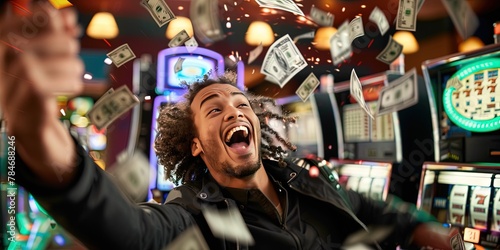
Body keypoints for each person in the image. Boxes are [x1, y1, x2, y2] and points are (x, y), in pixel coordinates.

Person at [1, 2, 463, 250]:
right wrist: (38, 126)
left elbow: (376, 210)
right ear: (196, 145)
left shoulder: (307, 177)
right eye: (214, 110)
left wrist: (422, 226)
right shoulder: (193, 215)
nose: (235, 112)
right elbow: (127, 231)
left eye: (242, 104)